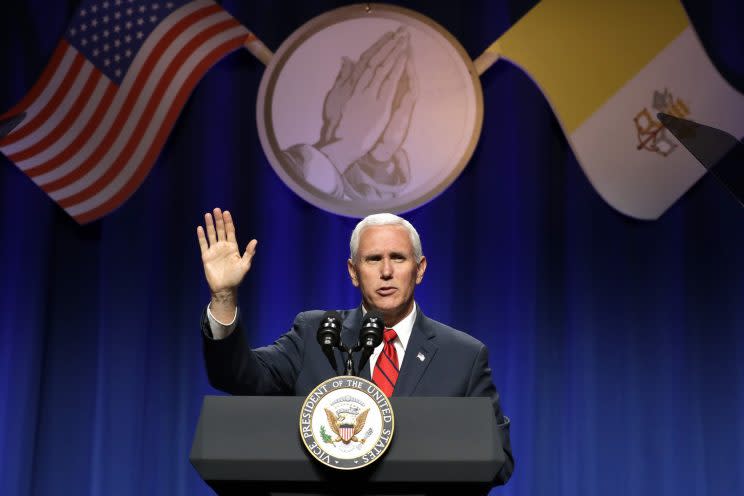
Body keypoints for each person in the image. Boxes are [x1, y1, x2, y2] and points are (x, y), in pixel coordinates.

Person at [196, 208, 514, 485]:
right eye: (374, 259)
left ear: (419, 269)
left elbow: (498, 459)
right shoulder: (315, 335)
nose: (386, 271)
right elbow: (237, 376)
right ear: (353, 272)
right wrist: (224, 297)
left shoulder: (463, 356)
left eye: (398, 258)